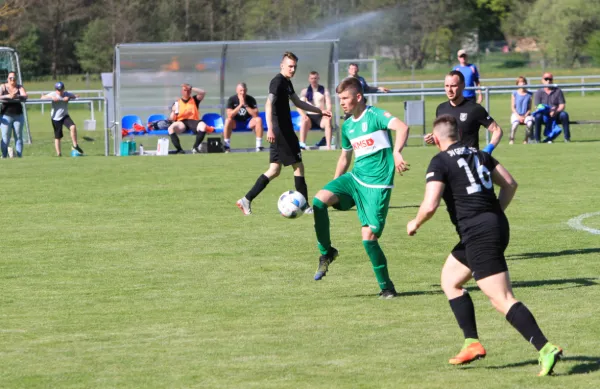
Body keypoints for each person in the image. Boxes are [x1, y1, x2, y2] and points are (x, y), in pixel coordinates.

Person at [407, 114, 562, 376]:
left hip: (479, 233)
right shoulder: (480, 154)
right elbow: (510, 183)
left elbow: (430, 204)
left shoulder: (440, 160)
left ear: (437, 139)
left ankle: (545, 347)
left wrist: (415, 222)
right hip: (491, 227)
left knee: (500, 298)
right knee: (450, 281)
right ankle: (472, 343)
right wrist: (494, 212)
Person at [311, 76, 410, 299]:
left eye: (345, 98)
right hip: (355, 178)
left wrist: (396, 152)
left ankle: (387, 288)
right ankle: (327, 253)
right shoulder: (347, 126)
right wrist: (334, 185)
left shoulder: (375, 115)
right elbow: (345, 157)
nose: (342, 103)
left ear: (358, 97)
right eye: (340, 99)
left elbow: (402, 127)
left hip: (378, 185)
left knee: (369, 238)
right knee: (319, 201)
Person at [236, 52, 332, 216]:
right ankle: (306, 206)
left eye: (295, 66)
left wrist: (319, 111)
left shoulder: (287, 83)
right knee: (298, 166)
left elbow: (297, 102)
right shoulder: (277, 82)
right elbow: (268, 104)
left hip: (282, 130)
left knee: (274, 170)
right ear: (282, 66)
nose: (293, 69)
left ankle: (246, 200)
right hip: (281, 131)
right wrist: (271, 128)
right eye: (290, 66)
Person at [425, 71, 502, 153]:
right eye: (447, 86)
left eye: (453, 86)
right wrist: (433, 138)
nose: (449, 90)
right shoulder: (441, 109)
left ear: (463, 86)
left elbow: (497, 130)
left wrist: (488, 150)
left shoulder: (474, 109)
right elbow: (440, 136)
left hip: (469, 161)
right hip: (448, 162)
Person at [41, 82, 84, 157]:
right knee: (58, 137)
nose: (60, 92)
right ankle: (59, 154)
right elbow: (42, 97)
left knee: (73, 127)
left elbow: (77, 96)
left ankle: (75, 145)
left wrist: (69, 98)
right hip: (56, 118)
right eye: (58, 90)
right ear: (56, 89)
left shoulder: (66, 94)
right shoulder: (53, 94)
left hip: (64, 116)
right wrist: (51, 98)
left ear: (63, 89)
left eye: (61, 90)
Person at [168, 83, 212, 154]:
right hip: (182, 122)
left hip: (194, 120)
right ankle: (179, 150)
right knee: (170, 128)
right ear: (182, 92)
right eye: (185, 90)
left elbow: (202, 93)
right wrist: (173, 111)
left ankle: (195, 147)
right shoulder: (177, 103)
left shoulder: (194, 99)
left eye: (188, 90)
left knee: (203, 126)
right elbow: (171, 119)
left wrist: (191, 88)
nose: (187, 92)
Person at [297, 71, 333, 150]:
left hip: (321, 116)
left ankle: (328, 146)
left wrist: (328, 113)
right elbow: (299, 106)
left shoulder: (324, 90)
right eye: (312, 78)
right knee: (304, 120)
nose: (314, 80)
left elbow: (329, 104)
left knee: (328, 120)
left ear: (318, 78)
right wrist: (303, 115)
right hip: (310, 117)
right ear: (309, 79)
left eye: (315, 78)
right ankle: (302, 145)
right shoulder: (305, 91)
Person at [223, 83, 263, 152]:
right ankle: (227, 146)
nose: (242, 92)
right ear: (237, 91)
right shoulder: (232, 99)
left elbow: (255, 114)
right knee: (227, 120)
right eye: (241, 90)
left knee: (258, 120)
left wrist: (245, 105)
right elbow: (230, 115)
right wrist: (240, 105)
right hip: (236, 123)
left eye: (244, 90)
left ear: (246, 90)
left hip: (248, 122)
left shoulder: (251, 99)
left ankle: (258, 146)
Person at [533, 73, 571, 143]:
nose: (548, 81)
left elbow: (562, 105)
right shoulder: (538, 92)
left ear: (552, 80)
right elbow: (537, 106)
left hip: (556, 114)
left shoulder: (558, 91)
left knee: (564, 115)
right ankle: (537, 139)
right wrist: (546, 111)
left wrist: (555, 111)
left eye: (550, 79)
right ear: (542, 80)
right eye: (546, 79)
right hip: (544, 114)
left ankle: (567, 138)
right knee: (537, 116)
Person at [0, 71, 28, 158]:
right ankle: (4, 156)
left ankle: (19, 156)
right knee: (5, 138)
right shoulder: (3, 87)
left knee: (19, 137)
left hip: (18, 115)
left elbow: (25, 96)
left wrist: (16, 96)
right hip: (6, 115)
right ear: (7, 79)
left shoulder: (19, 87)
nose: (12, 80)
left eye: (14, 78)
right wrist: (8, 96)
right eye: (10, 78)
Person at [509, 76, 534, 145]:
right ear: (517, 84)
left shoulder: (530, 94)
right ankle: (511, 139)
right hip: (516, 114)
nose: (522, 84)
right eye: (520, 82)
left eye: (523, 82)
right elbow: (513, 107)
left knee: (530, 124)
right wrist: (518, 116)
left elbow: (529, 108)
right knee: (515, 124)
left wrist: (524, 116)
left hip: (526, 114)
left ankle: (526, 139)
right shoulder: (514, 93)